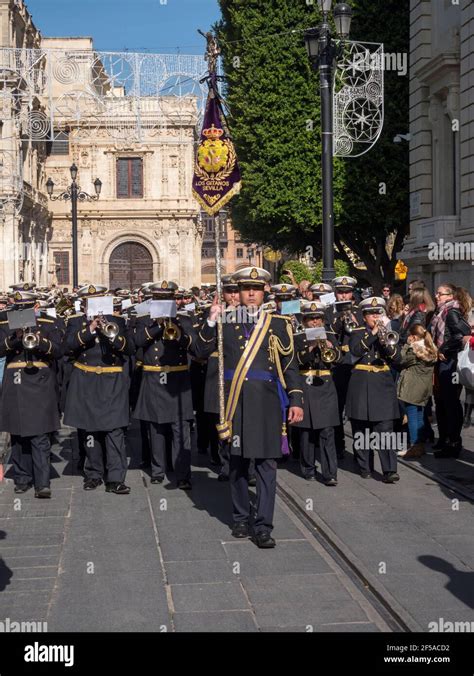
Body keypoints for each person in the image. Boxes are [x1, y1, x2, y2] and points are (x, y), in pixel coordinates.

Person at [194, 266, 304, 548]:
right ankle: (241, 516)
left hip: (267, 404)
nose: (251, 293)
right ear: (238, 293)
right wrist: (210, 321)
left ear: (264, 290)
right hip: (235, 405)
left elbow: (290, 365)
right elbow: (199, 353)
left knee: (267, 465)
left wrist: (296, 399)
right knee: (238, 464)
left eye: (256, 288)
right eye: (245, 289)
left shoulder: (278, 323)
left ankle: (264, 524)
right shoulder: (225, 322)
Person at [63, 284, 135, 494]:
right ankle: (93, 474)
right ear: (84, 304)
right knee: (89, 430)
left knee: (115, 431)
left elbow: (129, 349)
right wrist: (90, 329)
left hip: (112, 381)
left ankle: (115, 478)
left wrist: (111, 335)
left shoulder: (118, 322)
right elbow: (67, 347)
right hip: (86, 380)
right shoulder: (75, 322)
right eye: (89, 303)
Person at [133, 281, 197, 490]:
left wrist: (176, 329)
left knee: (181, 429)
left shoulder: (184, 319)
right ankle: (158, 470)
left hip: (177, 380)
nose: (163, 302)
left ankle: (183, 474)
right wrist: (157, 326)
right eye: (160, 298)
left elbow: (193, 345)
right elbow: (138, 342)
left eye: (167, 298)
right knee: (156, 428)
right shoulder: (144, 319)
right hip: (153, 377)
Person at [0, 288, 64, 497]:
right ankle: (21, 477)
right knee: (17, 434)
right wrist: (15, 339)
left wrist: (39, 341)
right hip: (15, 381)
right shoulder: (4, 323)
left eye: (25, 308)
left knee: (40, 433)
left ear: (35, 306)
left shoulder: (47, 323)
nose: (20, 312)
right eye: (17, 308)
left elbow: (58, 351)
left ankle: (42, 483)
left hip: (39, 381)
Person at [346, 296, 401, 483]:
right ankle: (364, 466)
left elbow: (398, 359)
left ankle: (389, 470)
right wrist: (372, 335)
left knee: (385, 430)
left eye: (378, 313)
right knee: (361, 430)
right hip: (361, 385)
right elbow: (355, 352)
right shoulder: (357, 332)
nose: (375, 317)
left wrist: (386, 342)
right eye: (371, 314)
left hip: (382, 385)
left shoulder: (389, 332)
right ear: (364, 316)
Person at [294, 301, 341, 484]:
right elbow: (296, 360)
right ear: (305, 320)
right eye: (311, 319)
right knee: (306, 433)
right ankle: (308, 469)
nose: (315, 322)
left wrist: (330, 348)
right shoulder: (298, 336)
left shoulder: (329, 334)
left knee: (327, 431)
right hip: (306, 384)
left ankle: (330, 474)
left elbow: (338, 358)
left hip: (325, 385)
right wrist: (311, 347)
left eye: (318, 318)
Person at [430, 284, 471, 458]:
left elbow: (461, 335)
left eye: (440, 294)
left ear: (450, 296)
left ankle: (454, 441)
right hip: (442, 362)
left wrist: (443, 350)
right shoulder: (441, 312)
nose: (437, 296)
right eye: (437, 293)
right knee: (440, 401)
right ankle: (444, 438)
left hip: (450, 362)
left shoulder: (451, 312)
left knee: (451, 402)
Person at [397, 324, 437, 458]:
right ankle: (419, 445)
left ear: (413, 336)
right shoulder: (430, 347)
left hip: (412, 387)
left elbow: (401, 360)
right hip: (424, 387)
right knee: (419, 417)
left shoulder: (414, 349)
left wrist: (406, 345)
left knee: (412, 417)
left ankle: (414, 445)